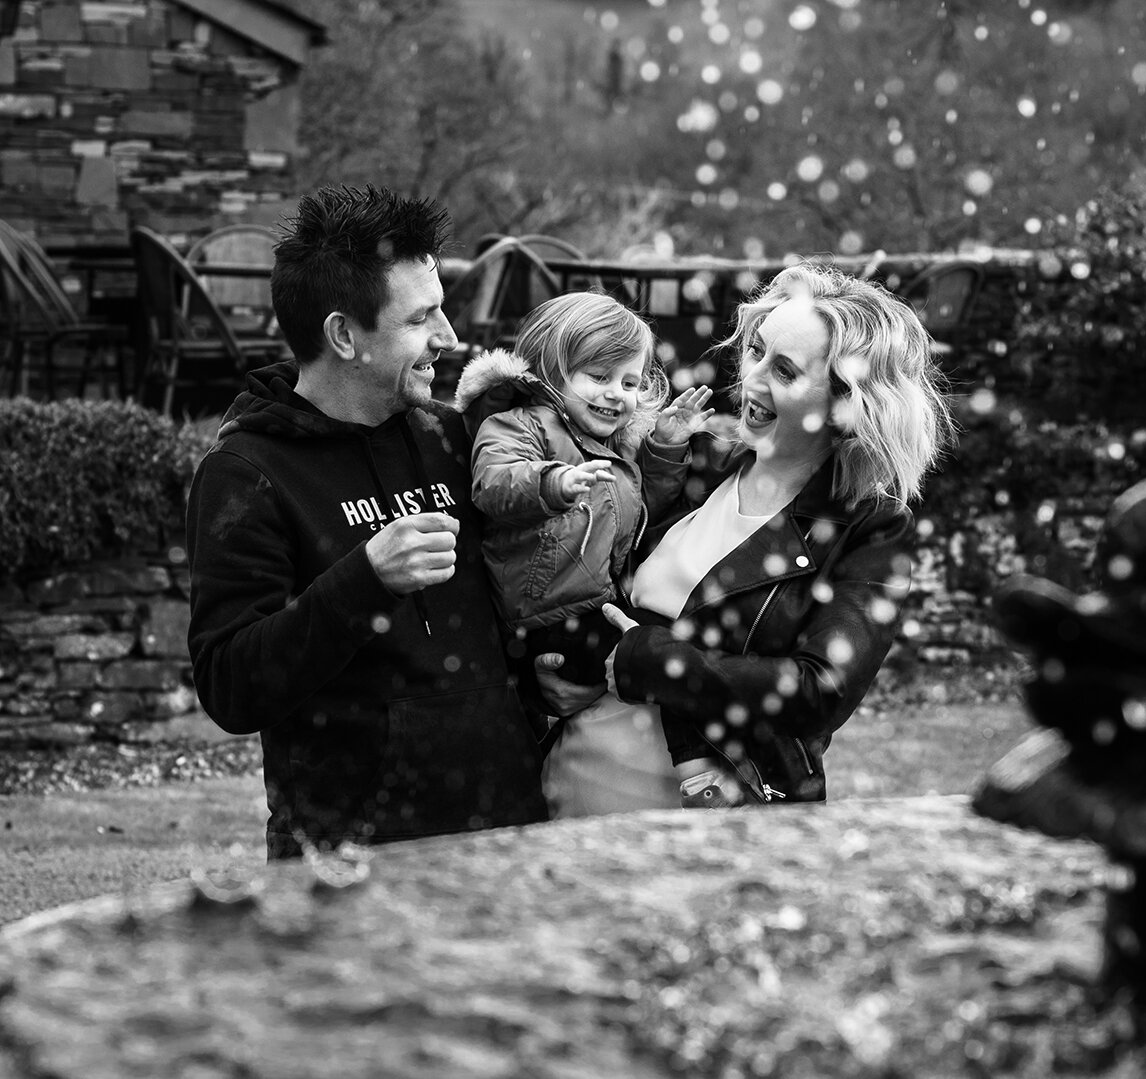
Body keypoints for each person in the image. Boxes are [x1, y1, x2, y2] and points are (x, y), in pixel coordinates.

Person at [185, 185, 548, 859]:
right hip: (350, 864)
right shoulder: (248, 475)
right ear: (344, 335)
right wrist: (365, 579)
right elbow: (230, 684)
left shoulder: (450, 437)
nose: (451, 338)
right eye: (422, 319)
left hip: (505, 838)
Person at [535, 262, 956, 816]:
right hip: (562, 799)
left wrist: (658, 665)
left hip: (707, 833)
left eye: (784, 371)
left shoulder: (870, 528)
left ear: (844, 404)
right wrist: (558, 663)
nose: (750, 380)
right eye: (756, 351)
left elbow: (818, 692)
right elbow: (569, 566)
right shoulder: (692, 459)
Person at [453, 291, 713, 709]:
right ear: (552, 373)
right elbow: (494, 483)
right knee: (666, 658)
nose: (617, 394)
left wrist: (663, 446)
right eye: (599, 376)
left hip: (597, 607)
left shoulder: (612, 446)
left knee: (680, 642)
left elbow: (643, 506)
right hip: (544, 619)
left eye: (629, 383)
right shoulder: (518, 425)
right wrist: (554, 483)